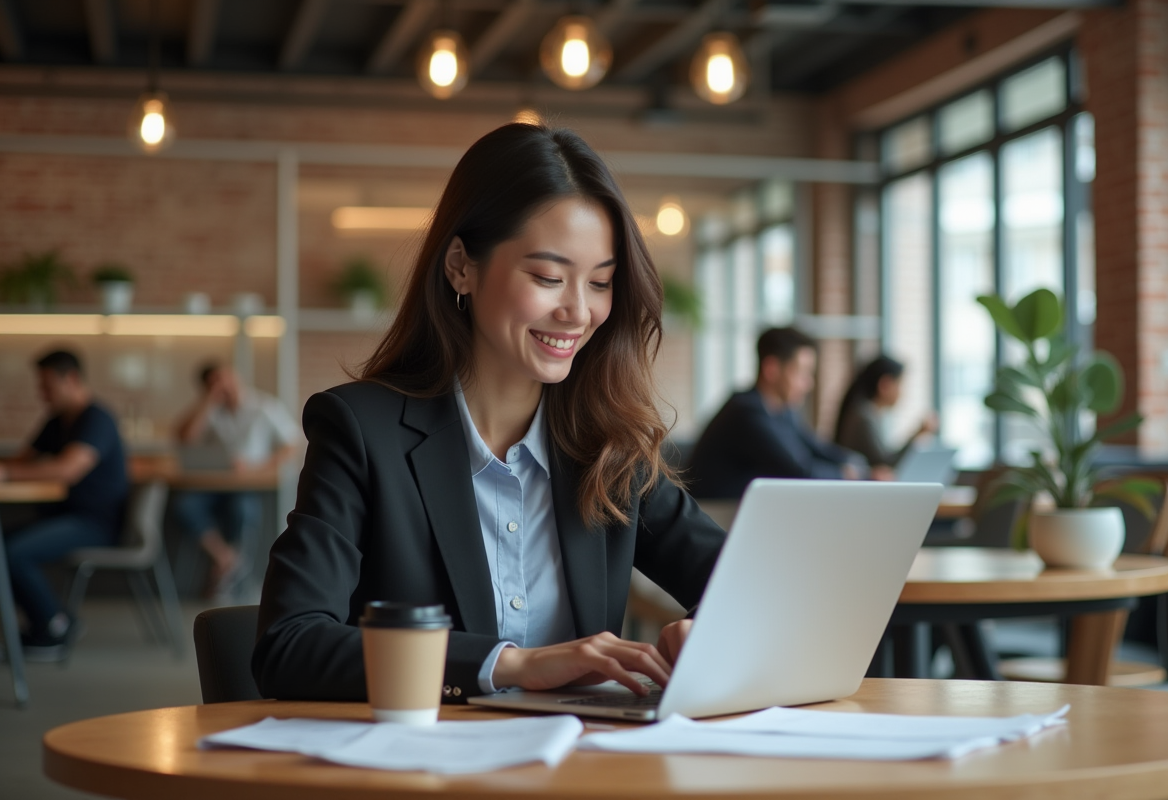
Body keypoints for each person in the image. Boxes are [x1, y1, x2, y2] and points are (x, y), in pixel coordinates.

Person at [252, 123, 726, 703]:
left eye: (601, 282)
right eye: (548, 277)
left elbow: (751, 586)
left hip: (583, 757)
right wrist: (511, 665)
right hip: (424, 756)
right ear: (461, 266)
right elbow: (289, 644)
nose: (579, 311)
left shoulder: (610, 449)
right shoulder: (361, 432)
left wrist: (711, 631)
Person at [0, 350, 128, 660]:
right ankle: (52, 621)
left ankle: (55, 625)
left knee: (13, 553)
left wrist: (5, 473)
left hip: (94, 523)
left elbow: (69, 469)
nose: (42, 394)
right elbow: (21, 460)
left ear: (71, 379)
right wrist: (4, 469)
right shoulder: (56, 421)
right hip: (62, 517)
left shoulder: (97, 419)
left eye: (47, 386)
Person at [685, 327, 860, 500]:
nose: (809, 384)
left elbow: (816, 448)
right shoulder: (746, 413)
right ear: (772, 369)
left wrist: (856, 463)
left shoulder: (783, 411)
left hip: (743, 508)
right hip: (714, 511)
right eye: (801, 373)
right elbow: (798, 472)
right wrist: (846, 473)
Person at [173, 364, 299, 597]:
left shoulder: (264, 406)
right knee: (185, 505)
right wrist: (208, 401)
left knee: (242, 510)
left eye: (226, 378)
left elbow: (291, 446)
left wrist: (256, 468)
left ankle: (231, 576)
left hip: (249, 486)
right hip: (214, 486)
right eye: (215, 383)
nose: (224, 386)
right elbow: (185, 438)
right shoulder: (211, 410)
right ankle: (226, 559)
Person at [833, 355, 939, 481]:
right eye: (900, 385)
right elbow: (886, 464)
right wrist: (917, 434)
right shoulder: (863, 417)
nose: (902, 392)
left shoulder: (866, 413)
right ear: (885, 385)